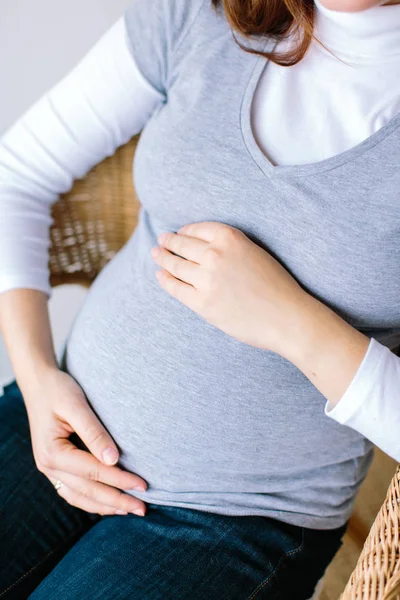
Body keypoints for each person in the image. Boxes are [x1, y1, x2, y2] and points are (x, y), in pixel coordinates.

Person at [0, 0, 399, 597]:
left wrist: (293, 323)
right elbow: (19, 174)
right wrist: (35, 378)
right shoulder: (198, 14)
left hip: (235, 521)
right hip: (58, 420)